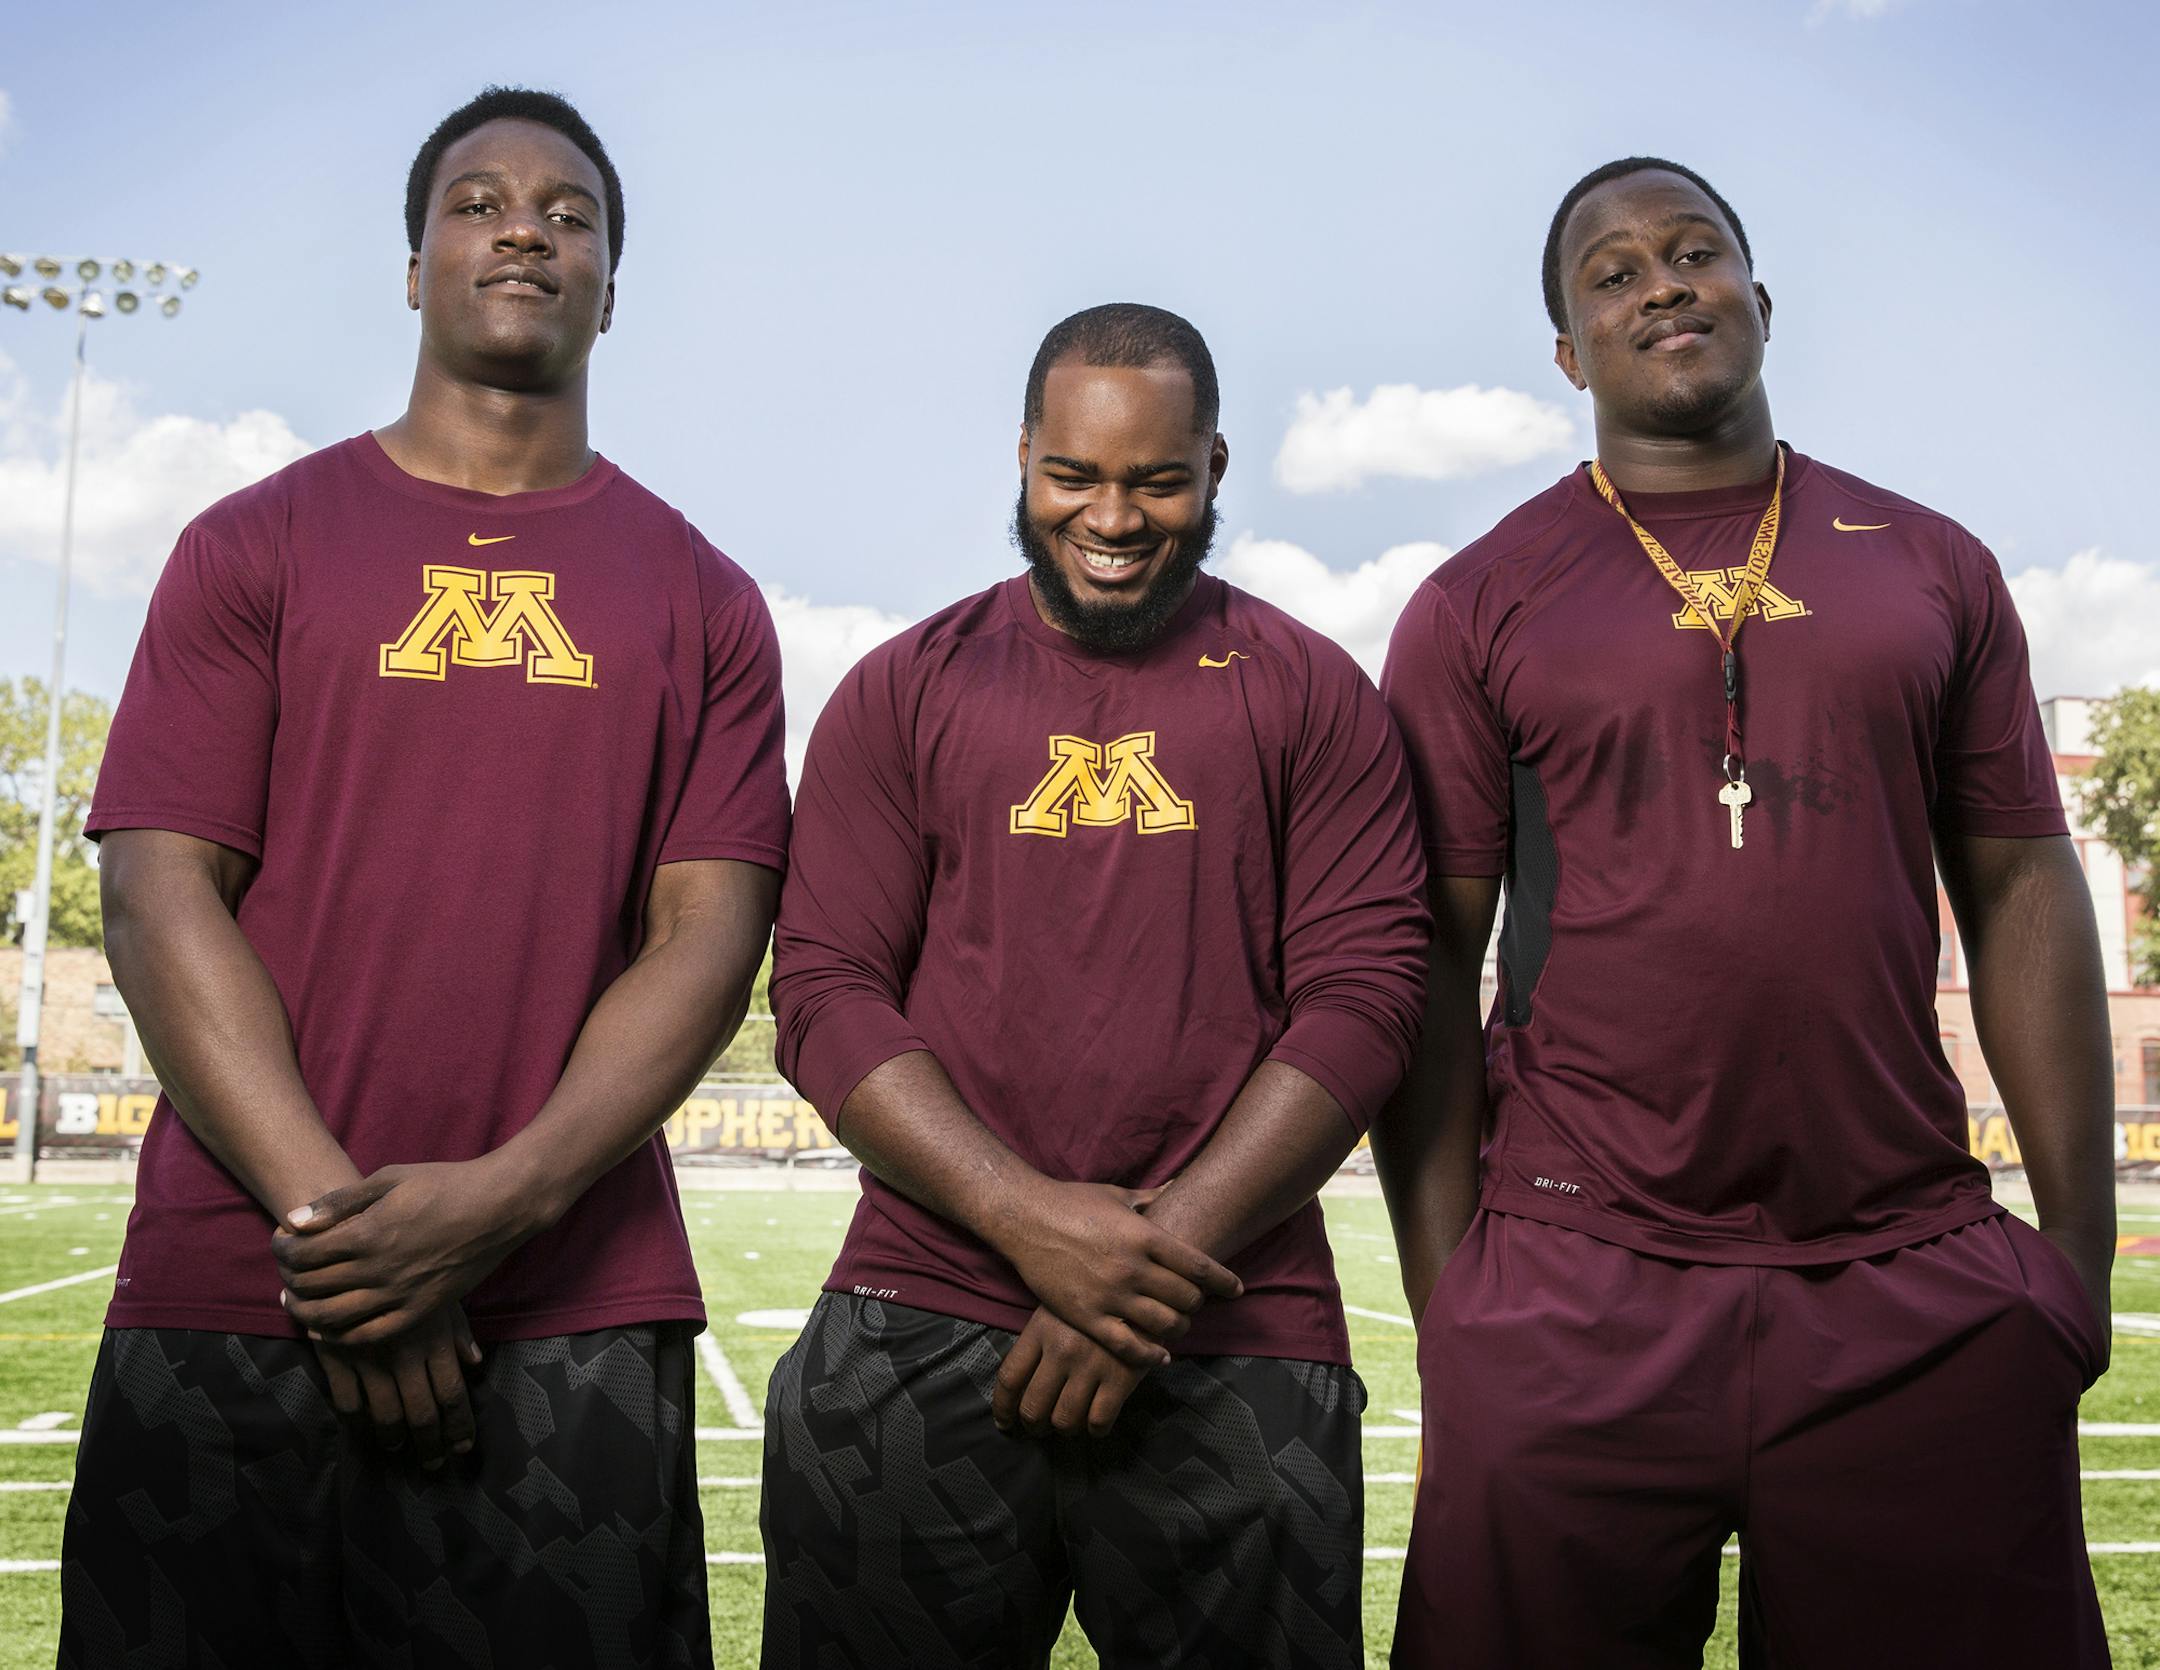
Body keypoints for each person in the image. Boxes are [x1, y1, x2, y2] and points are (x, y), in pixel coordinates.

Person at [60, 86, 788, 1669]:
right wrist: (339, 1225)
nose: (525, 226)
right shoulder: (249, 544)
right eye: (478, 202)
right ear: (411, 266)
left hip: (569, 1311)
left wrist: (497, 1208)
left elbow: (709, 941)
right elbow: (156, 890)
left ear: (614, 281)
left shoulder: (706, 595)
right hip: (238, 1283)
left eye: (571, 212)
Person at [1374, 155, 2117, 1669]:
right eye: (1613, 272)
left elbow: (2025, 886)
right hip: (1576, 1277)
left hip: (1904, 1274)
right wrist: (1454, 1299)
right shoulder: (1476, 599)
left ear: (1761, 302)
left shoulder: (1931, 564)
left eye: (1696, 251)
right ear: (1571, 355)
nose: (1663, 282)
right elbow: (1430, 962)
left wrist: (2078, 1262)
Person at [760, 302, 1428, 1669]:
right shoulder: (902, 689)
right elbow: (824, 990)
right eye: (1075, 475)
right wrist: (1026, 1219)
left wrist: (1144, 1269)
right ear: (1022, 459)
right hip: (923, 1305)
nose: (1112, 515)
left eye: (1156, 479)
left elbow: (1367, 999)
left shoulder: (1317, 693)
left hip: (1235, 1326)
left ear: (1216, 470)